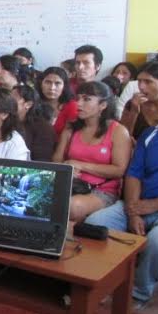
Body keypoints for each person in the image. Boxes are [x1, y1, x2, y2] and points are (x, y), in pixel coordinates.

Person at [85, 123, 158, 309]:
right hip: (137, 203)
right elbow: (134, 173)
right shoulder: (151, 133)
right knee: (94, 224)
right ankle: (99, 282)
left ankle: (139, 293)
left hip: (154, 206)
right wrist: (133, 211)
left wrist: (155, 204)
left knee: (157, 241)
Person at [53, 81, 131, 222]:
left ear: (103, 105)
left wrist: (80, 165)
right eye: (78, 99)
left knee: (72, 206)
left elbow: (119, 170)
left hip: (102, 190)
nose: (79, 104)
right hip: (70, 184)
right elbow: (57, 160)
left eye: (87, 99)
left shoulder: (118, 131)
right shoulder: (71, 127)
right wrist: (67, 168)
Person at [11, 84, 56, 161]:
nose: (8, 101)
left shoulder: (43, 128)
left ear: (28, 104)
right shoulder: (4, 121)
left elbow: (41, 161)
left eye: (13, 98)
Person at [120, 61, 158, 140]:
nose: (141, 87)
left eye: (148, 82)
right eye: (139, 81)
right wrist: (133, 111)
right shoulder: (132, 103)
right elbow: (122, 137)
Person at [38, 66, 78, 137]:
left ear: (64, 86)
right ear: (41, 84)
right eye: (48, 82)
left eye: (57, 83)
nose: (52, 88)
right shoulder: (34, 103)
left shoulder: (71, 106)